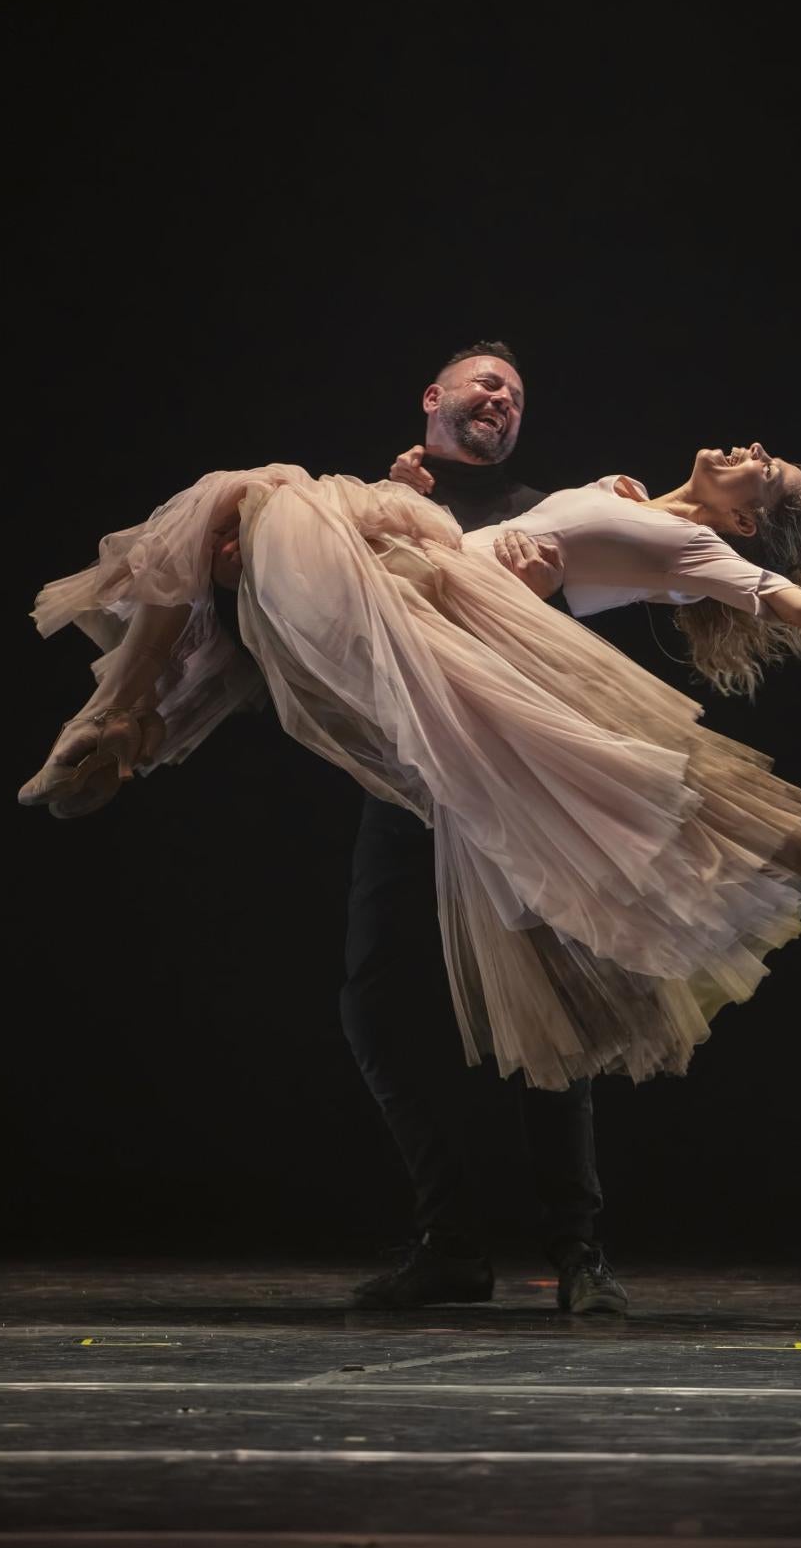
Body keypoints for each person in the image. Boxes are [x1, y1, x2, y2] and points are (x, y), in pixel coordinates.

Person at [19, 358, 801, 1265]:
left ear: (747, 523)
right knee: (228, 527)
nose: (754, 449)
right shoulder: (626, 494)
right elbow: (557, 547)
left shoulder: (697, 547)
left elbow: (797, 607)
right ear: (434, 397)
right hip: (423, 620)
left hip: (454, 664)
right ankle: (132, 717)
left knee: (246, 497)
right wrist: (419, 503)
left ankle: (125, 716)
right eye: (765, 452)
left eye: (768, 470)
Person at [213, 343, 624, 1314]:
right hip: (406, 789)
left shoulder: (540, 511)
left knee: (552, 1017)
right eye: (488, 383)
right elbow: (296, 618)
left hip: (507, 793)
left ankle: (579, 1252)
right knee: (378, 1006)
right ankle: (451, 1243)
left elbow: (565, 643)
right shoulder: (364, 505)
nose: (503, 399)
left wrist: (571, 549)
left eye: (516, 394)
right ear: (434, 397)